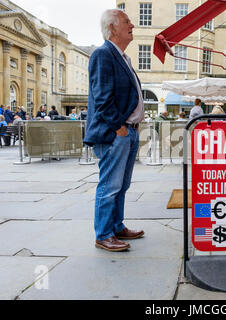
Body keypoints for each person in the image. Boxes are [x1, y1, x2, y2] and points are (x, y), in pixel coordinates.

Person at [83, 8, 145, 252]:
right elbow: (102, 98)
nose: (132, 25)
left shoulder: (122, 57)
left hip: (128, 131)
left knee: (122, 185)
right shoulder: (103, 54)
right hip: (115, 133)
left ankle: (117, 226)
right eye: (126, 21)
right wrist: (119, 127)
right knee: (109, 186)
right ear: (112, 28)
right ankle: (104, 234)